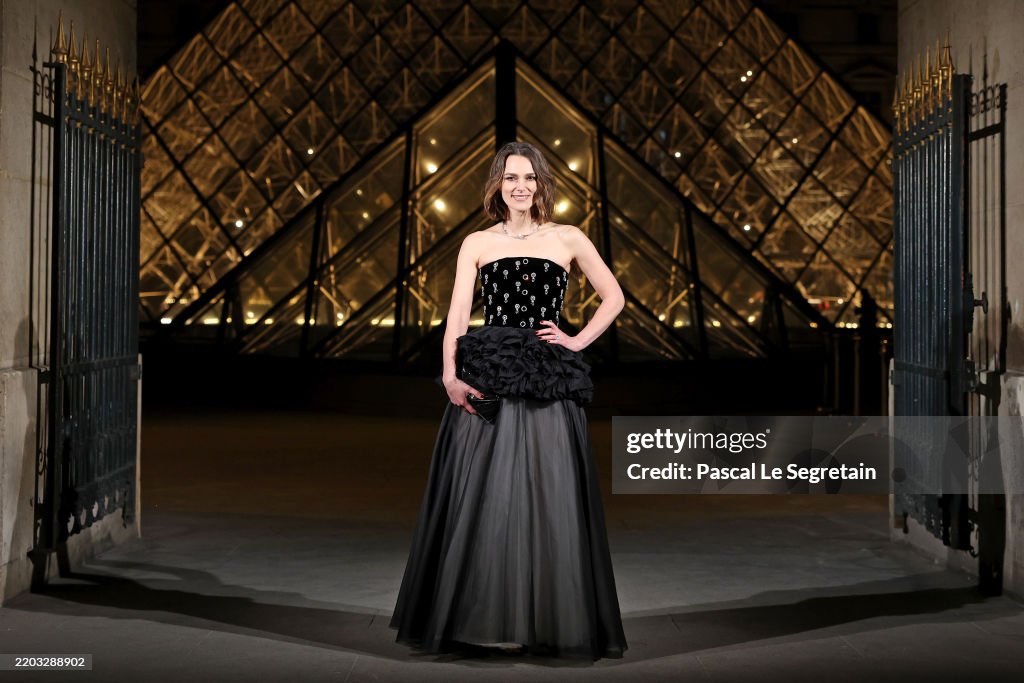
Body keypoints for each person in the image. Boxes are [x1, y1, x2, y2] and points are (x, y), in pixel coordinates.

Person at [388, 141, 628, 660]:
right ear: (498, 184)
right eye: (510, 177)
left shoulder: (568, 237)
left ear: (542, 183)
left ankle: (543, 622)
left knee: (551, 499)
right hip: (489, 374)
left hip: (546, 375)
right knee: (484, 501)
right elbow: (456, 316)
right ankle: (484, 621)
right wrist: (450, 376)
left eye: (529, 177)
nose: (520, 185)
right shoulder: (476, 242)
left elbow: (615, 296)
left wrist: (577, 339)